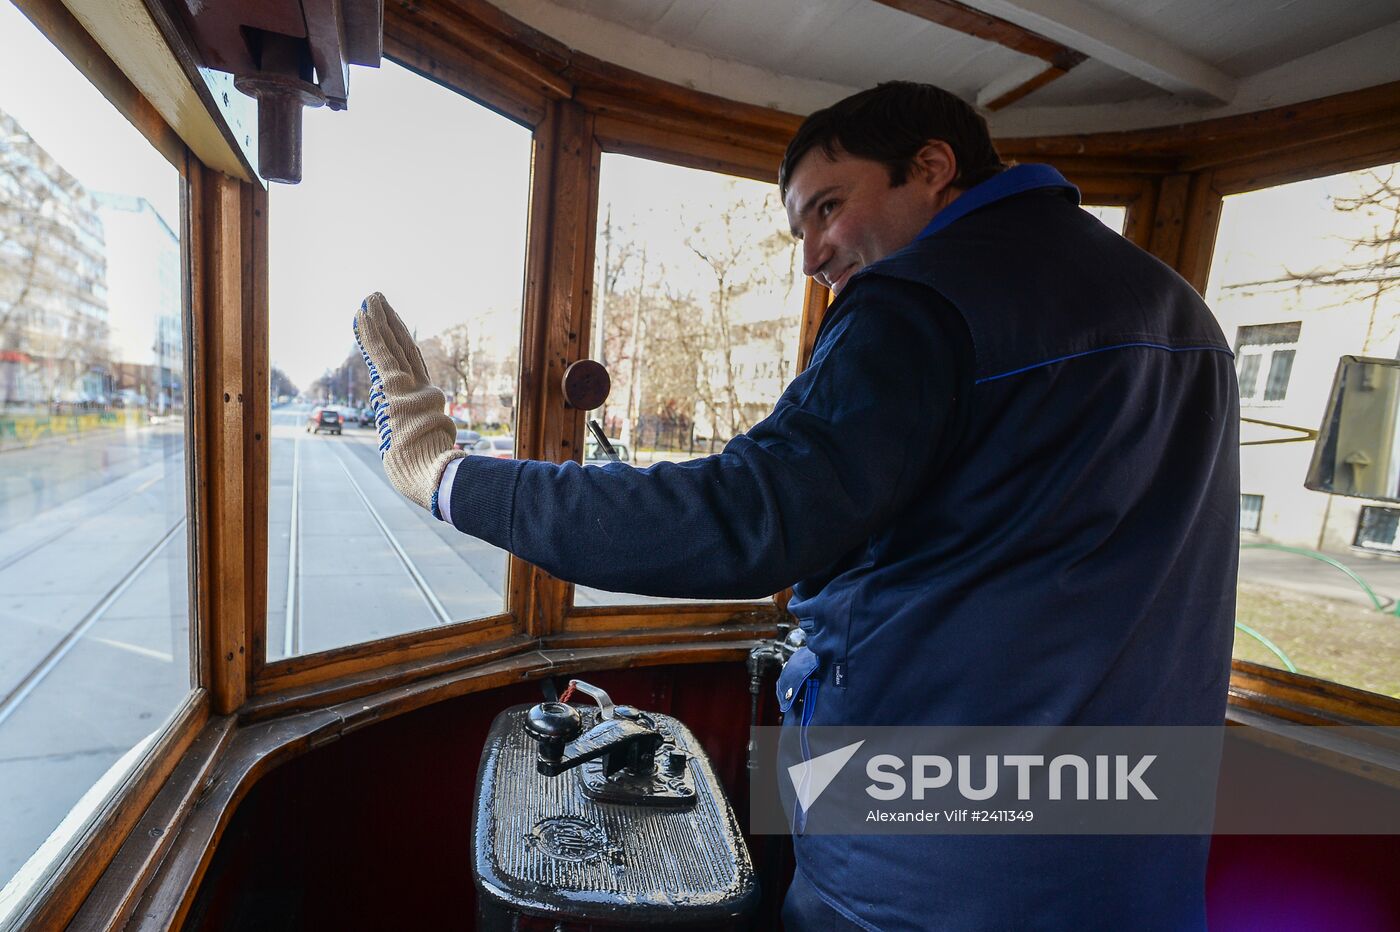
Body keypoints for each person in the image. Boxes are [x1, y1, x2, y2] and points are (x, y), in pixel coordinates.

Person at [353, 81, 1239, 931]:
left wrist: (450, 477)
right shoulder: (1182, 312)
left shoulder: (920, 300)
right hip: (1136, 843)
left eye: (828, 207)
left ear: (932, 166)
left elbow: (748, 515)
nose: (813, 257)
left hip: (931, 862)